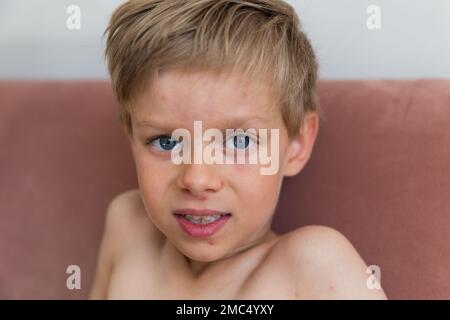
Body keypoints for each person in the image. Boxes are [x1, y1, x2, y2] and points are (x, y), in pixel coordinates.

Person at [90, 0, 387, 299]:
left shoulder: (313, 267)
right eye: (167, 142)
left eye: (239, 141)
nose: (197, 178)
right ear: (132, 140)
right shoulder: (127, 226)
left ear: (296, 145)